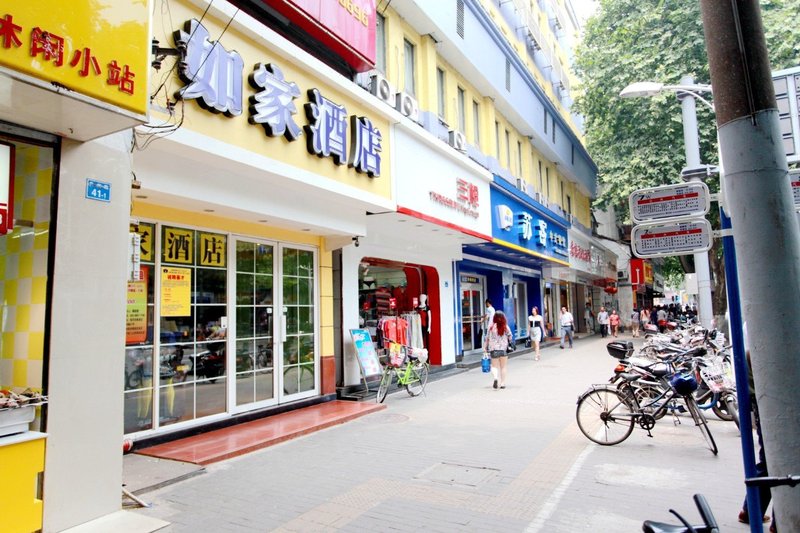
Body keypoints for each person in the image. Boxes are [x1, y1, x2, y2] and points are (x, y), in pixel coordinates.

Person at [738, 323, 776, 531]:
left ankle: (752, 510)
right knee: (776, 460)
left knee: (770, 460)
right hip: (768, 404)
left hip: (763, 403)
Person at [483, 310, 512, 389]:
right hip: (503, 350)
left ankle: (496, 378)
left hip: (494, 349)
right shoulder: (505, 326)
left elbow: (487, 338)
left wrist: (485, 347)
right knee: (503, 367)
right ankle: (502, 383)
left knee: (494, 367)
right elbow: (510, 336)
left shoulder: (491, 327)